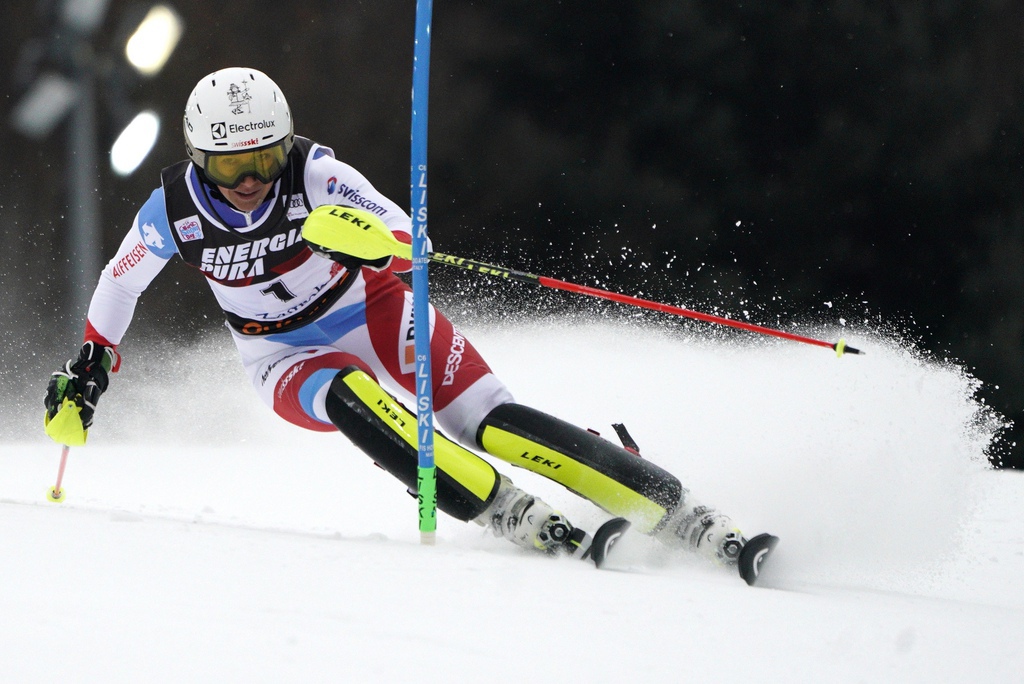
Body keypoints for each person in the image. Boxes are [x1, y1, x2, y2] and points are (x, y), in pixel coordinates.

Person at [44, 67, 765, 576]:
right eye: (230, 167)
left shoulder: (318, 175)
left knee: (492, 421)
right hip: (280, 355)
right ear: (199, 158)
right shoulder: (171, 211)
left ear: (285, 143)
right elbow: (120, 281)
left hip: (376, 310)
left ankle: (681, 513)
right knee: (356, 398)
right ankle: (504, 509)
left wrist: (368, 239)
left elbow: (409, 240)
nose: (250, 183)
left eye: (264, 158)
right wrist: (91, 366)